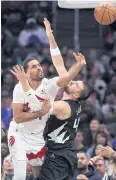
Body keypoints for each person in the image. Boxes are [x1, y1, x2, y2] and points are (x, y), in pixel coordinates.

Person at [8, 19, 86, 180]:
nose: (72, 81)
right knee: (22, 174)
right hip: (32, 137)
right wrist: (50, 37)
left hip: (58, 152)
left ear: (76, 94)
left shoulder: (63, 104)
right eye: (34, 66)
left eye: (76, 83)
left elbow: (39, 107)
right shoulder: (64, 93)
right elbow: (59, 63)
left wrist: (24, 84)